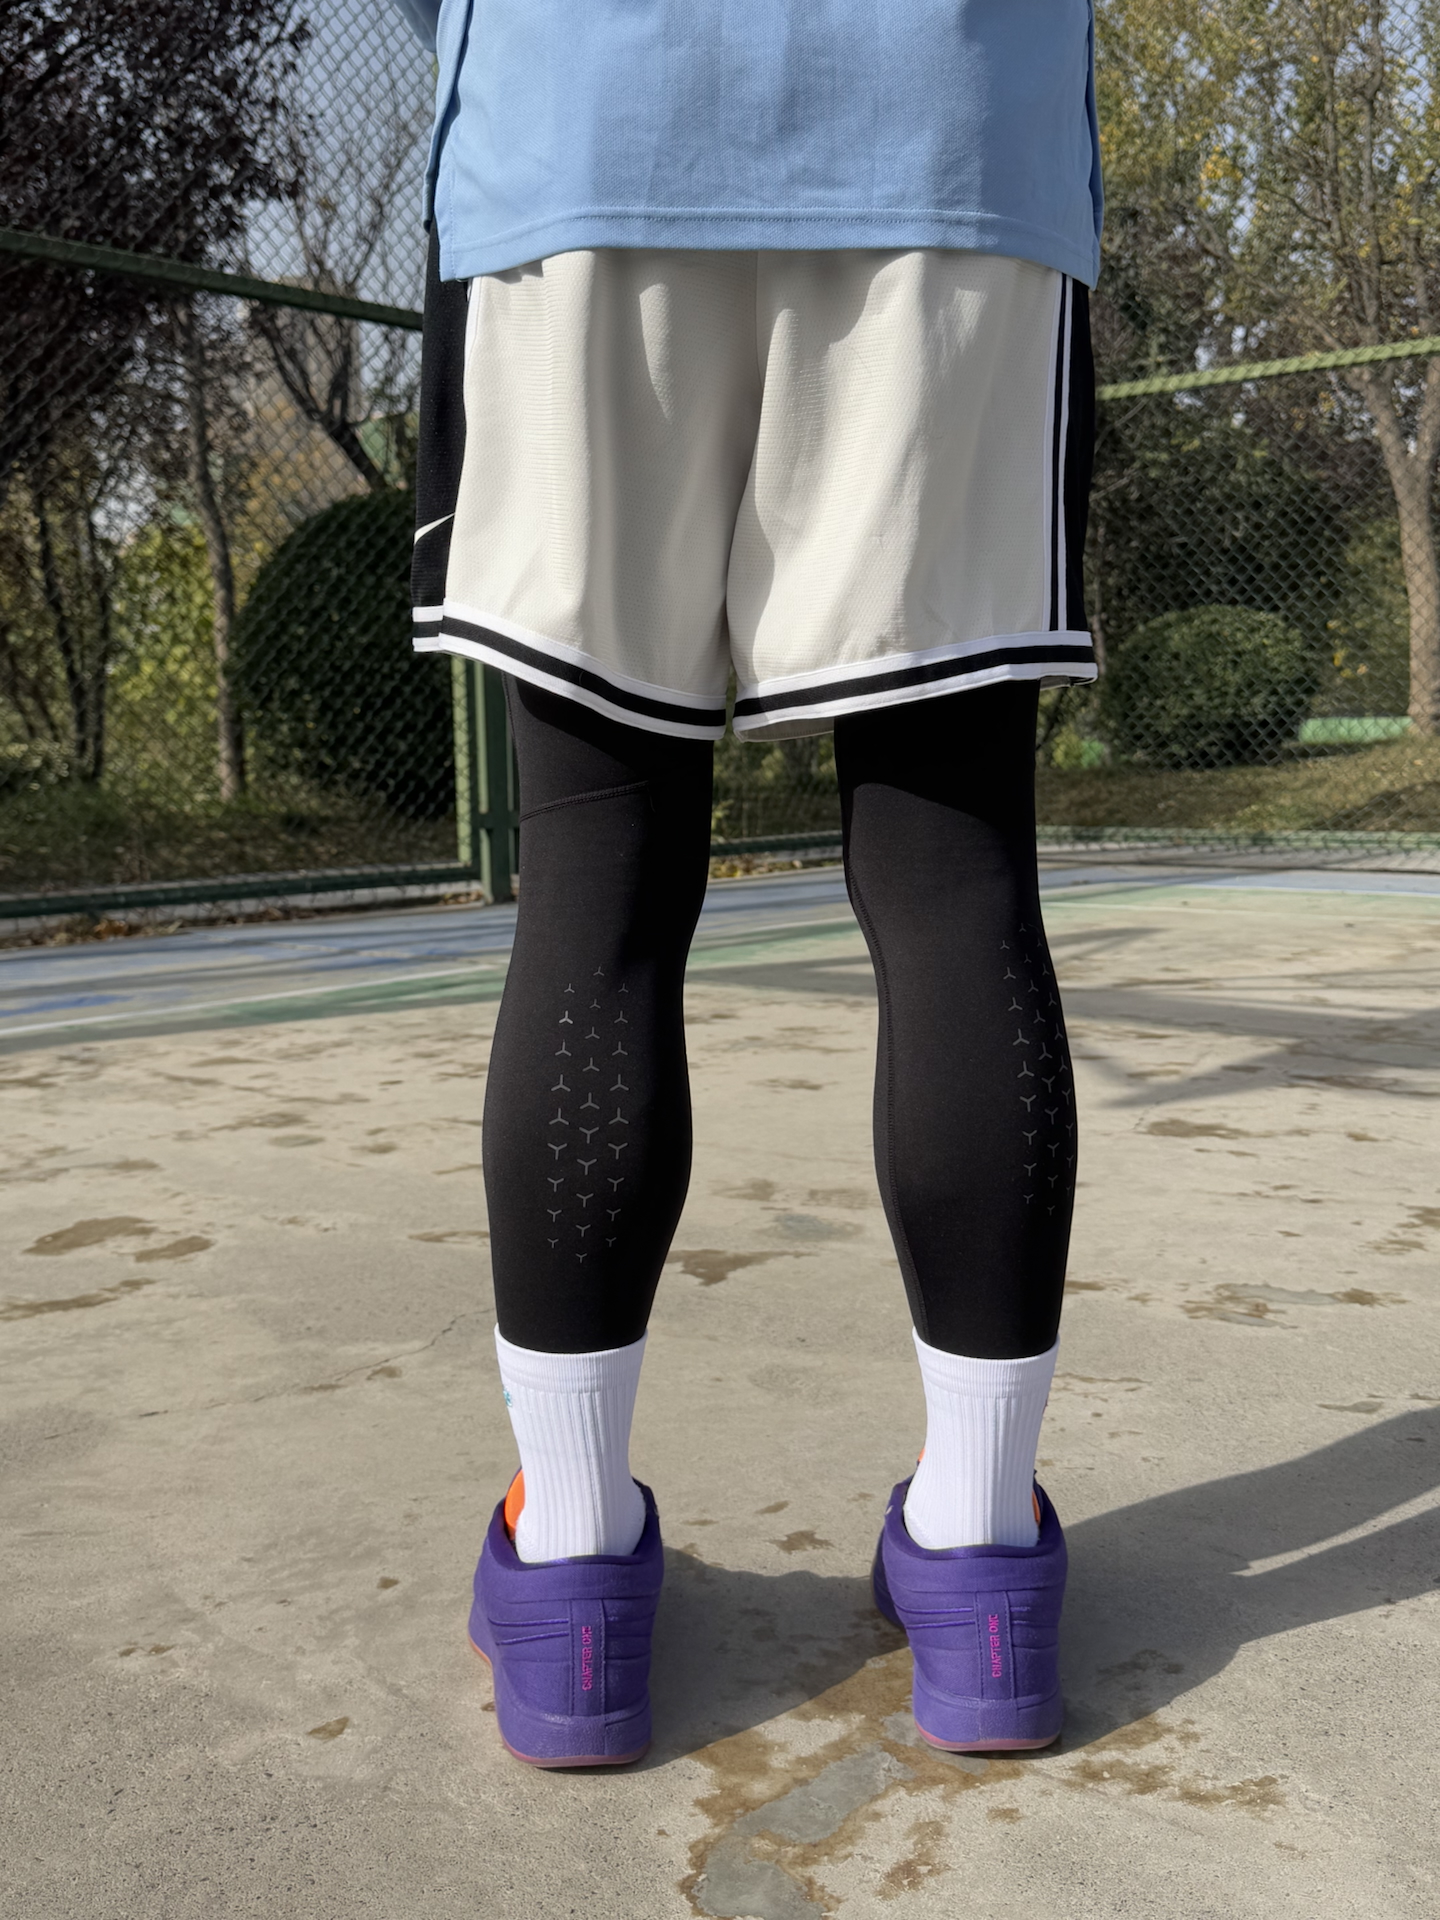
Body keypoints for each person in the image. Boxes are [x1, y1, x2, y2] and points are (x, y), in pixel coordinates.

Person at [392, 0, 1102, 1767]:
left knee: (595, 880)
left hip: (578, 124)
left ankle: (570, 1574)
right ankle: (982, 1555)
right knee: (954, 877)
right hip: (949, 136)